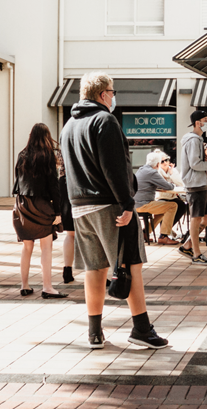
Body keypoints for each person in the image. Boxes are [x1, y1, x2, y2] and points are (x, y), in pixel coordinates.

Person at [60, 72, 167, 349]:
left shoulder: (69, 125)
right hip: (110, 205)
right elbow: (115, 168)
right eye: (112, 90)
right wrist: (128, 203)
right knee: (131, 265)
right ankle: (141, 329)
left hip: (80, 207)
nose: (114, 95)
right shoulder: (104, 121)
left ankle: (95, 332)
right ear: (102, 94)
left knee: (95, 269)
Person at [13, 123, 68, 299]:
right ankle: (48, 287)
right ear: (46, 137)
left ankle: (24, 285)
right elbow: (54, 187)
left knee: (27, 246)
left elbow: (18, 180)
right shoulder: (48, 157)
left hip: (22, 204)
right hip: (41, 204)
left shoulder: (22, 155)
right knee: (46, 247)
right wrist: (58, 213)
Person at [177, 110, 207, 266]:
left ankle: (187, 245)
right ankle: (196, 254)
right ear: (197, 123)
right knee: (196, 219)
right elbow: (195, 164)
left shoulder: (197, 139)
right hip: (195, 184)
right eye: (205, 120)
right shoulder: (193, 140)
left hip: (199, 184)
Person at [134, 150, 179, 244]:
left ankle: (145, 233)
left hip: (136, 203)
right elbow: (168, 186)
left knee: (163, 210)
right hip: (144, 204)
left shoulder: (141, 169)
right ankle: (164, 236)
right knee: (172, 205)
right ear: (158, 164)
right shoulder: (152, 172)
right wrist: (172, 184)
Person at [56, 150, 77, 284]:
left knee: (70, 235)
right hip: (81, 186)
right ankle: (96, 271)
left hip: (64, 188)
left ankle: (67, 270)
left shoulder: (62, 147)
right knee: (91, 236)